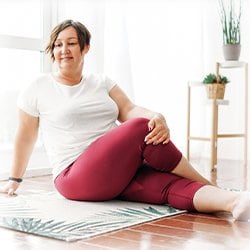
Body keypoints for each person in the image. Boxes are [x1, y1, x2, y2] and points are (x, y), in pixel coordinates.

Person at [0, 19, 249, 221]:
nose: (63, 50)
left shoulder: (102, 82)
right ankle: (206, 182)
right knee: (142, 127)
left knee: (169, 186)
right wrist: (15, 179)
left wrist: (156, 116)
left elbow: (129, 109)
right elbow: (26, 135)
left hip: (117, 171)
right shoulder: (39, 87)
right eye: (57, 45)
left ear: (85, 48)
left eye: (71, 43)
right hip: (74, 176)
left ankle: (234, 202)